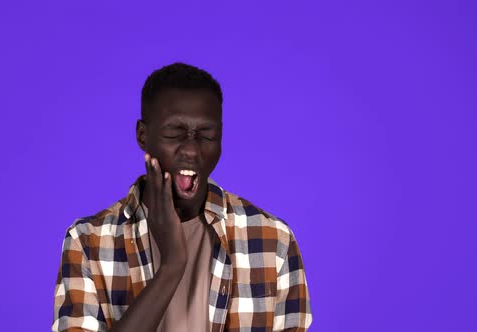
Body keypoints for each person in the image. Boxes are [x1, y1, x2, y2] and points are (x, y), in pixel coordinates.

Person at [52, 62, 312, 332]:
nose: (191, 150)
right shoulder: (87, 242)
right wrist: (172, 266)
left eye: (206, 135)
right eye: (174, 133)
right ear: (143, 135)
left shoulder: (273, 239)